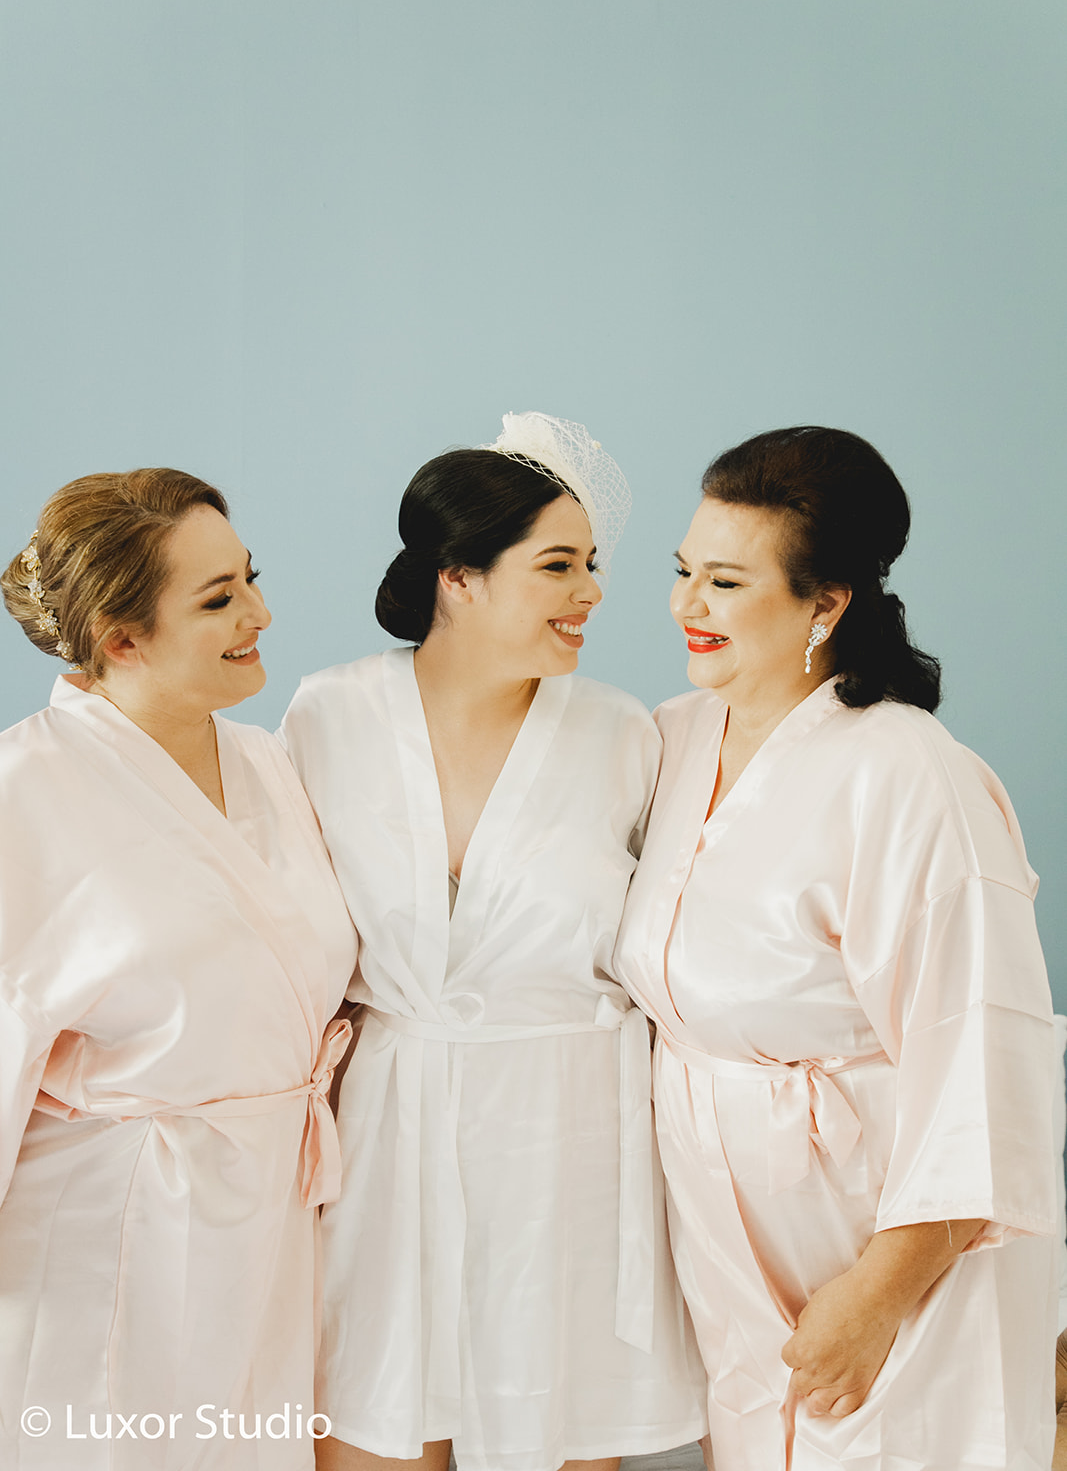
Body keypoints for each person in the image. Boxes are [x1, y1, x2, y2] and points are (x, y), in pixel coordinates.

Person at [614, 426, 1059, 1471]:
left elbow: (982, 1058)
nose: (684, 604)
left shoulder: (910, 777)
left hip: (881, 1252)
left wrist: (876, 1296)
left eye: (725, 582)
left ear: (825, 602)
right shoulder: (672, 738)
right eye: (682, 570)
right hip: (727, 1243)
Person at [280, 414, 707, 1471]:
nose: (590, 591)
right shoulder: (327, 715)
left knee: (559, 1428)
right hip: (386, 1133)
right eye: (557, 565)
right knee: (371, 1420)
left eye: (592, 565)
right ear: (458, 576)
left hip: (569, 1139)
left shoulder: (624, 733)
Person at [0, 470, 356, 1469]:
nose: (260, 614)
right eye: (218, 599)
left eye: (250, 578)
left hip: (268, 1214)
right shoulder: (23, 793)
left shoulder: (267, 763)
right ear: (122, 638)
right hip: (113, 1222)